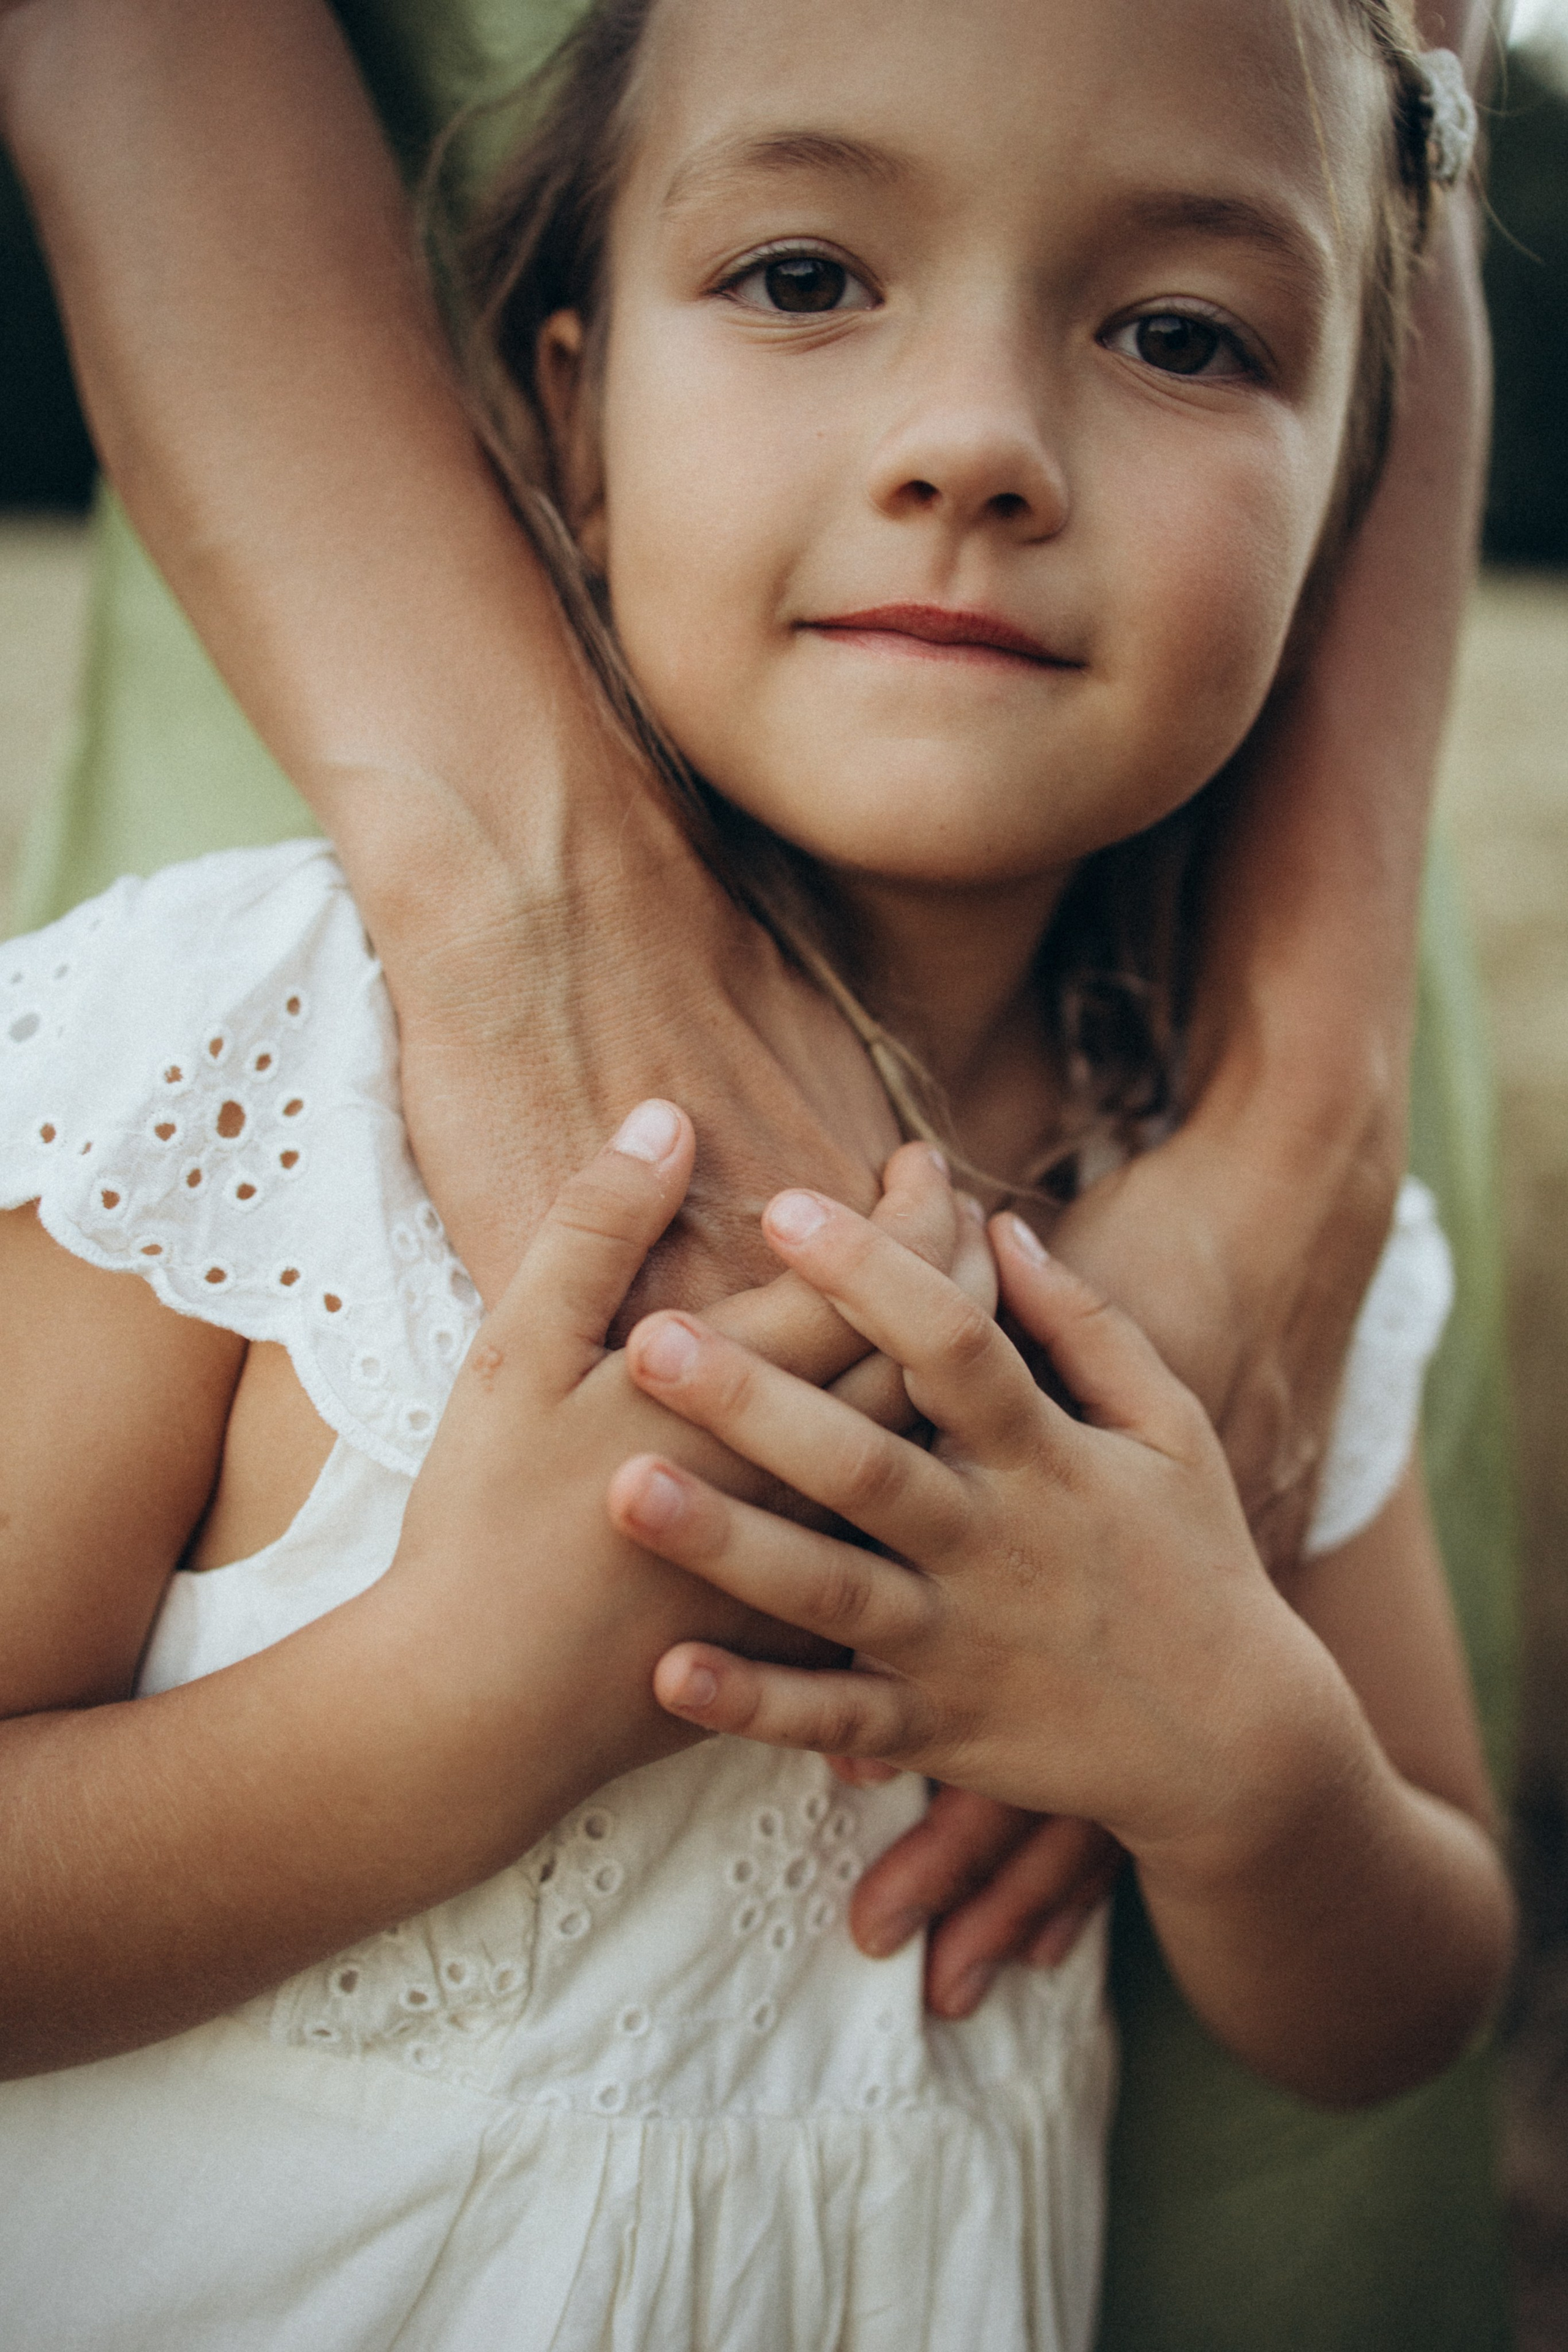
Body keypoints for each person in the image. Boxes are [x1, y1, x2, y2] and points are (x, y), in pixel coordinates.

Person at [0, 0, 1513, 2343]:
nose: (979, 444)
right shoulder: (254, 1062)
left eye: (1185, 331)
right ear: (569, 415)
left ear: (1341, 526)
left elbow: (1418, 1983)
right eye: (806, 277)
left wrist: (1246, 1771)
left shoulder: (1251, 1234)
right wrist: (423, 1724)